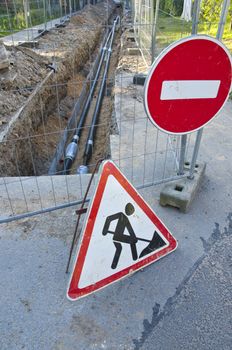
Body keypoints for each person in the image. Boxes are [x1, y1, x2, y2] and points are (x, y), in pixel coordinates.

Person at [102, 203, 138, 269]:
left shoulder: (125, 218)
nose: (131, 212)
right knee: (131, 242)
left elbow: (130, 230)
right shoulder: (121, 215)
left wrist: (134, 237)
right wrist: (105, 230)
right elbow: (109, 218)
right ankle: (135, 258)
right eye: (131, 210)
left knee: (119, 248)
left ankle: (114, 266)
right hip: (118, 236)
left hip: (118, 236)